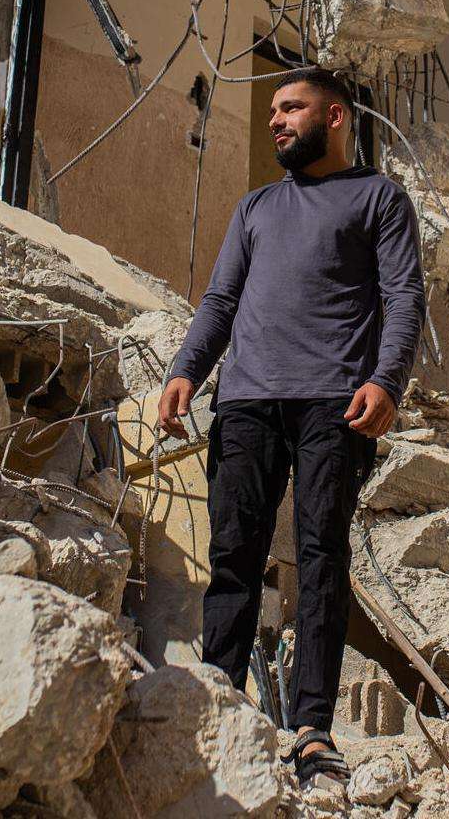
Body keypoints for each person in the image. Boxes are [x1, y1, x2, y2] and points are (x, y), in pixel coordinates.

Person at [158, 66, 425, 783]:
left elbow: (404, 298)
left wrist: (386, 380)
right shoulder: (253, 209)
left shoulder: (378, 198)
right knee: (234, 553)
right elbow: (220, 301)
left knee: (319, 561)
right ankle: (218, 698)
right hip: (245, 401)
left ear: (333, 118)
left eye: (291, 107)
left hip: (334, 404)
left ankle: (311, 728)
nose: (276, 119)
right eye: (273, 109)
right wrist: (187, 368)